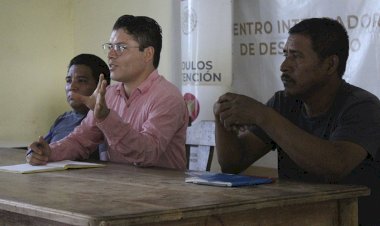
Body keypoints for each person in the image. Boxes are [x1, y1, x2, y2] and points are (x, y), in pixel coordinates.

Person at [214, 18, 380, 225]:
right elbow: (233, 163)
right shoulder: (284, 103)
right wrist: (223, 115)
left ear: (330, 64)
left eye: (296, 57)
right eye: (285, 55)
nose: (284, 66)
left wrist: (263, 116)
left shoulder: (363, 106)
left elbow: (335, 165)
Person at [27, 15, 189, 170]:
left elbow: (147, 154)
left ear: (147, 54)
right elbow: (80, 141)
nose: (110, 54)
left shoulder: (168, 97)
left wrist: (106, 117)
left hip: (163, 193)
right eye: (110, 47)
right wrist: (49, 152)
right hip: (116, 189)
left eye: (120, 48)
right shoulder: (109, 94)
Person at [42, 53, 110, 160]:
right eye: (69, 81)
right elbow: (42, 149)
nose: (72, 87)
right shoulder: (63, 119)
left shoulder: (107, 121)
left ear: (101, 87)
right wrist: (36, 153)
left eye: (81, 81)